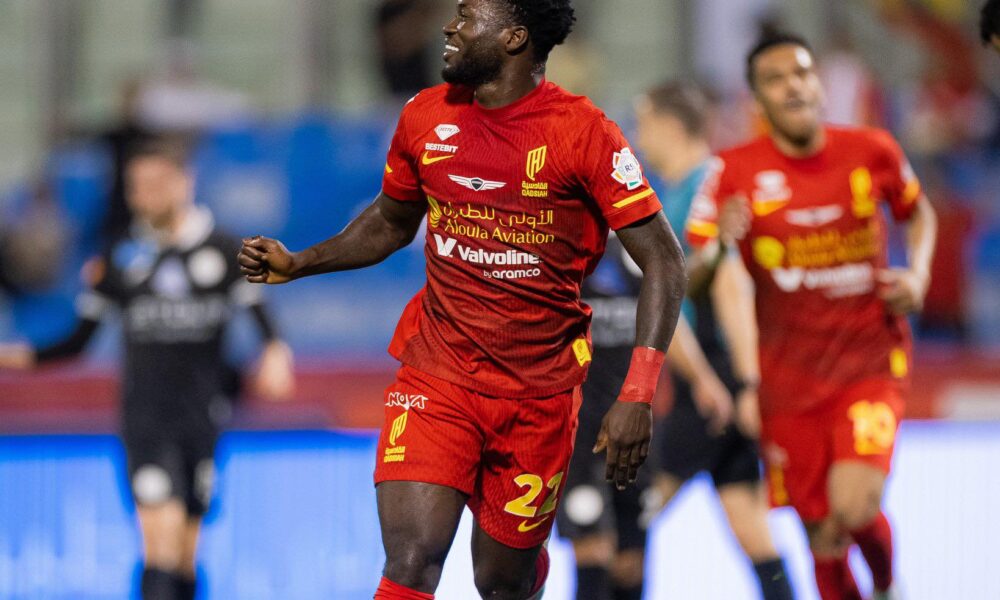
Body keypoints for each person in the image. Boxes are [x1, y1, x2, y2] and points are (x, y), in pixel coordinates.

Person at [237, 0, 687, 598]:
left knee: (501, 582)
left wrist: (638, 393)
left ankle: (525, 572)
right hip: (438, 375)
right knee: (412, 558)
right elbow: (391, 221)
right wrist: (301, 263)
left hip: (539, 394)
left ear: (514, 38)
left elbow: (665, 260)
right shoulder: (426, 115)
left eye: (468, 16)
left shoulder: (584, 133)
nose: (450, 27)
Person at [686, 32, 937, 600]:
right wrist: (720, 245)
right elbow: (692, 278)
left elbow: (919, 212)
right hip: (787, 384)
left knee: (855, 504)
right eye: (775, 79)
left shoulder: (873, 149)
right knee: (822, 535)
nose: (793, 86)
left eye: (801, 72)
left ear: (819, 83)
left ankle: (888, 586)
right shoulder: (730, 172)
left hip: (869, 364)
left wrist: (918, 275)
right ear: (757, 101)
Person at [0, 138, 295, 600]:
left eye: (155, 184)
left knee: (185, 553)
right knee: (160, 541)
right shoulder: (119, 257)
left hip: (203, 419)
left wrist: (276, 355)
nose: (143, 196)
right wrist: (10, 356)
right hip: (145, 421)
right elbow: (76, 343)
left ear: (185, 182)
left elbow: (266, 328)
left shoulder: (225, 251)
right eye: (136, 186)